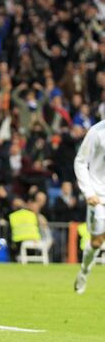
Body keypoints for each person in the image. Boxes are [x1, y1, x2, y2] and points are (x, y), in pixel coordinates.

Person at [73, 120, 105, 294]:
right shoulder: (97, 132)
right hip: (99, 197)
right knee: (97, 242)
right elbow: (80, 162)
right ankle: (84, 272)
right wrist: (89, 193)